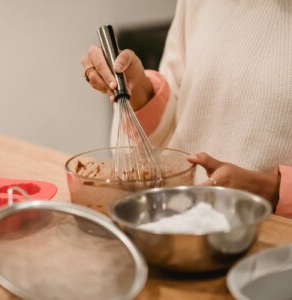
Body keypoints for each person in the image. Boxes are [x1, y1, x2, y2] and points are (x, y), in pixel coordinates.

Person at [80, 0, 292, 217]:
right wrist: (140, 91)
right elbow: (177, 115)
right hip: (178, 217)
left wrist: (272, 190)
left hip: (270, 235)